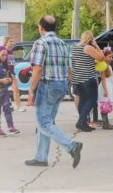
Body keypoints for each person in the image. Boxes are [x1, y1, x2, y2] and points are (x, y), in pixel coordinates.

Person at [25, 15, 82, 169]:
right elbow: (70, 70)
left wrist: (31, 90)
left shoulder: (40, 43)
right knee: (47, 122)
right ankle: (41, 157)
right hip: (61, 85)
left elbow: (37, 69)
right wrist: (65, 83)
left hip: (47, 85)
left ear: (41, 27)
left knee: (43, 122)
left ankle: (71, 146)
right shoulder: (63, 44)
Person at [71, 31, 106, 132]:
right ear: (90, 38)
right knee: (92, 99)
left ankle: (83, 124)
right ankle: (80, 122)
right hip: (87, 78)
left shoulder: (75, 48)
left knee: (82, 101)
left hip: (77, 79)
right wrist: (96, 45)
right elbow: (101, 58)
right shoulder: (88, 48)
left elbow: (73, 63)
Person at [0, 45, 20, 137]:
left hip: (5, 90)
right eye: (3, 55)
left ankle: (11, 127)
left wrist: (9, 79)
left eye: (6, 55)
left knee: (8, 109)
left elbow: (7, 76)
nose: (5, 57)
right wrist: (1, 80)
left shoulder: (5, 65)